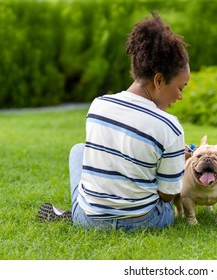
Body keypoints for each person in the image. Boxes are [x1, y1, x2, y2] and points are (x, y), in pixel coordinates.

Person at [38, 12, 190, 232]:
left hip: (89, 220)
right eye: (180, 88)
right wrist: (176, 163)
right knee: (159, 190)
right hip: (145, 222)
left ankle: (76, 210)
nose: (180, 96)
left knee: (78, 150)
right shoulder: (169, 126)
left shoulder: (98, 105)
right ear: (158, 80)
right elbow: (167, 195)